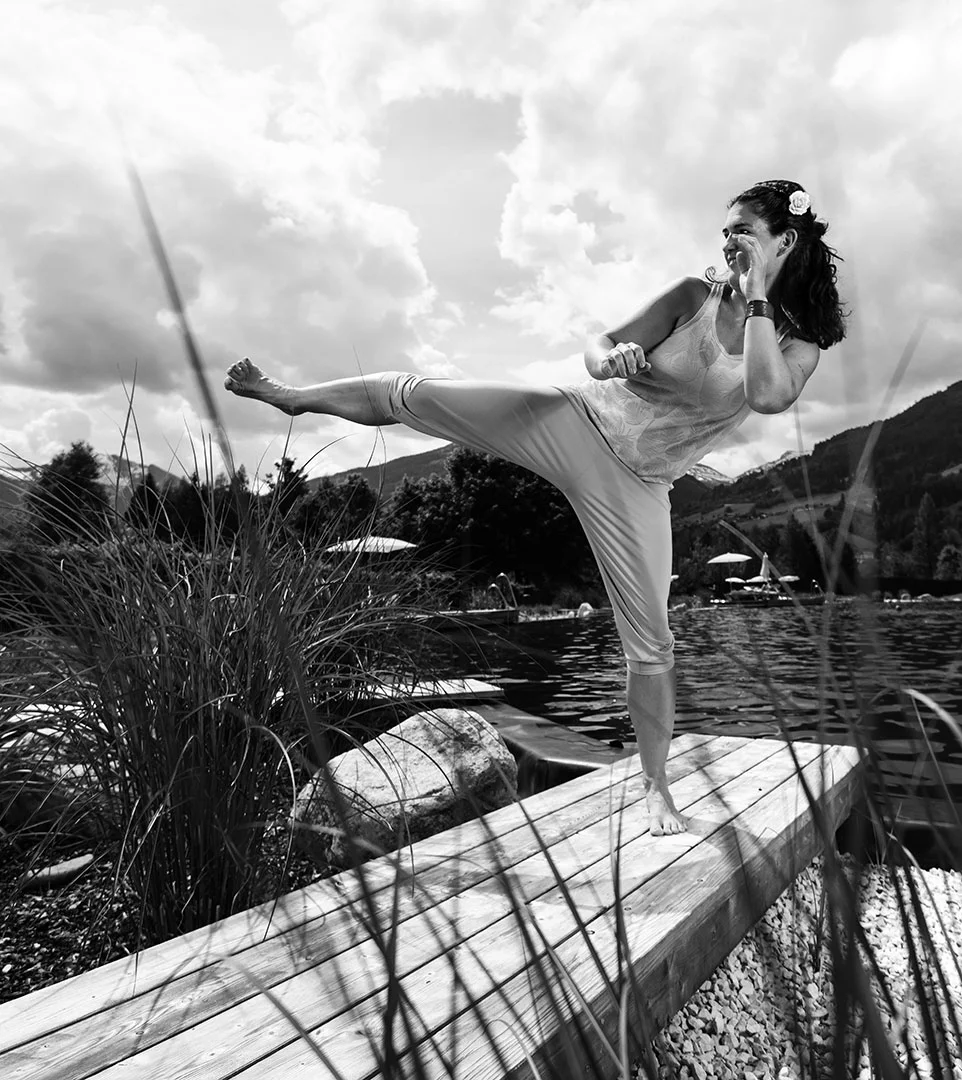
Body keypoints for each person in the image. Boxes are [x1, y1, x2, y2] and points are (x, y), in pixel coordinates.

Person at [225, 178, 847, 835]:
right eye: (723, 231)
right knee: (419, 394)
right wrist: (610, 361)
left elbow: (768, 396)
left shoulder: (797, 341)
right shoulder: (691, 296)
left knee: (654, 646)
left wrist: (755, 297)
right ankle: (294, 397)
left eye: (742, 231)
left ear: (784, 241)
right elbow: (598, 343)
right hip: (574, 420)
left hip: (639, 485)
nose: (727, 243)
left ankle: (655, 788)